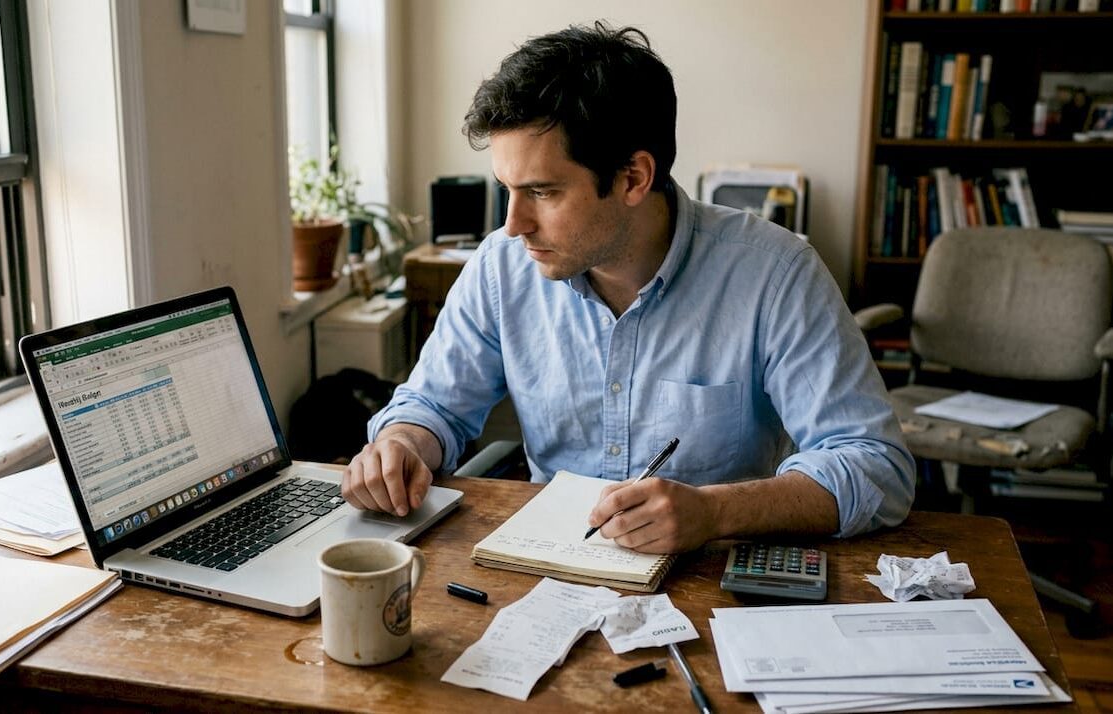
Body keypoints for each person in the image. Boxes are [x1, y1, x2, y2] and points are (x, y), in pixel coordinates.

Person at [343, 21, 915, 554]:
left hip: (708, 577)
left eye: (542, 192)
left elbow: (875, 466)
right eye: (507, 190)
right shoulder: (501, 266)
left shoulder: (775, 274)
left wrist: (714, 512)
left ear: (633, 178)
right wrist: (403, 444)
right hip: (546, 565)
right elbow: (434, 405)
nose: (513, 225)